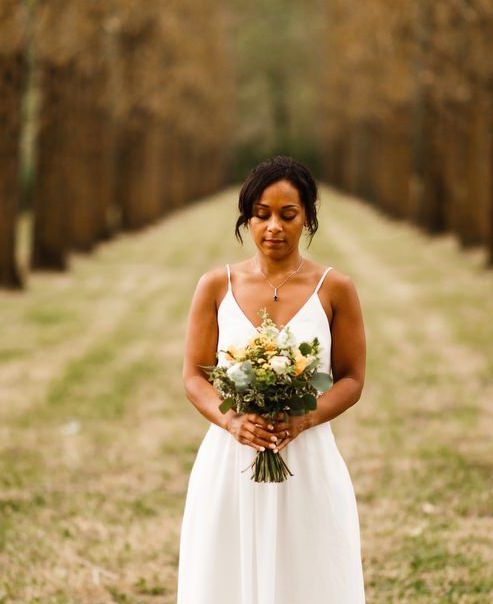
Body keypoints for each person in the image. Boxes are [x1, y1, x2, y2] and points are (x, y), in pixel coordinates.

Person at [177, 155, 366, 603]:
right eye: (261, 215)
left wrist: (304, 418)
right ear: (247, 218)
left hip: (308, 460)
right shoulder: (215, 286)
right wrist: (232, 423)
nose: (273, 227)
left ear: (308, 217)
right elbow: (193, 376)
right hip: (229, 463)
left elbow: (352, 378)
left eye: (288, 214)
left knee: (310, 575)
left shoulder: (336, 288)